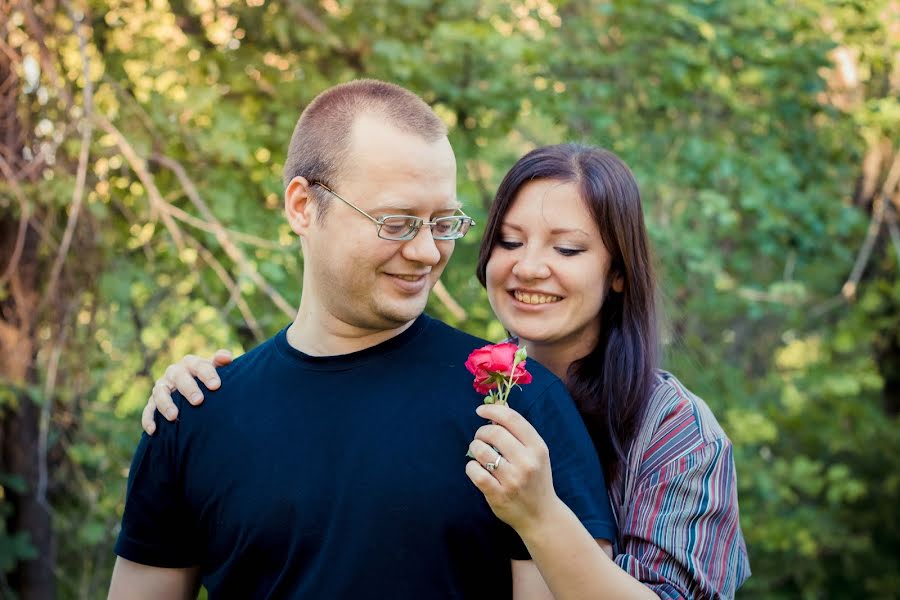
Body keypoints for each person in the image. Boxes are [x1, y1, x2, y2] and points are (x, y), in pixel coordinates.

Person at [147, 143, 751, 598]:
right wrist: (207, 394)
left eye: (567, 249)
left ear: (618, 272)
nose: (530, 268)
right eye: (510, 242)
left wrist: (541, 514)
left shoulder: (674, 431)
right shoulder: (469, 388)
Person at [109, 80, 616, 599]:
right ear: (303, 207)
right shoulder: (193, 414)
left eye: (443, 223)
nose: (425, 252)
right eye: (396, 222)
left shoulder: (515, 403)